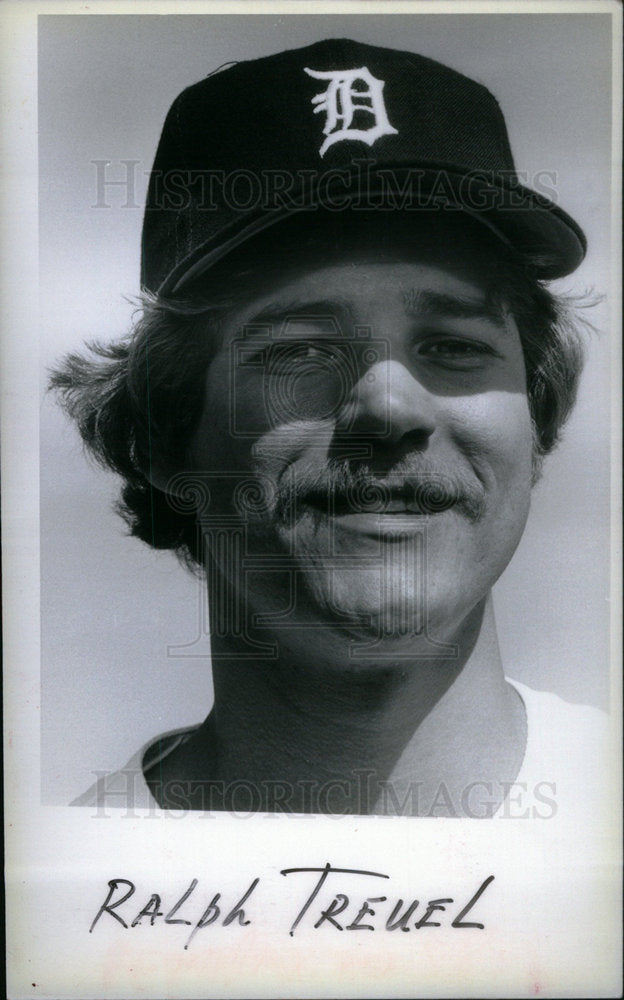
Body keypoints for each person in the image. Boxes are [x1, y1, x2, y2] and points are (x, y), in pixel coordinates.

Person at [52, 38, 605, 817]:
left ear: (536, 421)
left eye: (454, 347)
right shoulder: (60, 897)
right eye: (301, 351)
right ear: (164, 440)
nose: (389, 408)